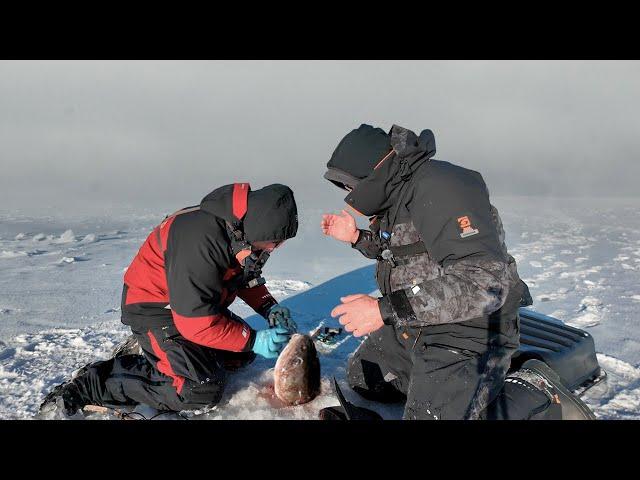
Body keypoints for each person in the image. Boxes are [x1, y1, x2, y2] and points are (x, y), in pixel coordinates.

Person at [322, 124, 595, 420]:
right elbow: (405, 251)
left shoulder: (442, 188)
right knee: (366, 380)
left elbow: (483, 282)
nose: (348, 194)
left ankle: (531, 390)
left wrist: (384, 309)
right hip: (418, 321)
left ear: (372, 174)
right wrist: (357, 238)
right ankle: (446, 386)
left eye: (349, 186)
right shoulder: (398, 193)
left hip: (469, 331)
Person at [40, 183, 298, 417]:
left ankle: (156, 350)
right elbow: (196, 324)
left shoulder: (242, 231)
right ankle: (96, 381)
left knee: (236, 356)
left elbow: (244, 274)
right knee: (198, 390)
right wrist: (252, 339)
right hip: (155, 309)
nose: (274, 249)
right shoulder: (200, 243)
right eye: (273, 242)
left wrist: (268, 306)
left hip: (193, 305)